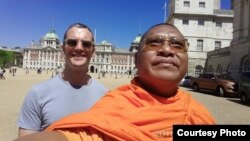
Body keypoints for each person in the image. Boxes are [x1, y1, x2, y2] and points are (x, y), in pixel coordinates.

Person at [14, 23, 215, 141]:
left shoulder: (199, 113)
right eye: (154, 43)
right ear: (136, 59)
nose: (167, 50)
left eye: (178, 45)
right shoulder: (113, 103)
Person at [16, 23, 108, 137]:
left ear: (93, 51)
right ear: (62, 49)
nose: (79, 47)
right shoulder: (37, 94)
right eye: (72, 42)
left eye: (86, 44)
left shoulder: (106, 96)